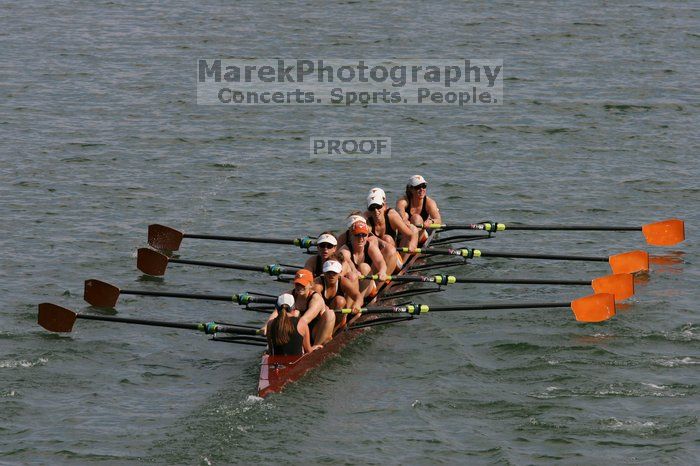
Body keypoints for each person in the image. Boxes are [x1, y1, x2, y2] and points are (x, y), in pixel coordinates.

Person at [365, 187, 419, 262]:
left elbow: (411, 235)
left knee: (388, 238)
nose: (376, 211)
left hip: (393, 253)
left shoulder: (391, 215)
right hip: (377, 257)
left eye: (378, 206)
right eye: (372, 207)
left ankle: (401, 265)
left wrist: (412, 245)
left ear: (384, 204)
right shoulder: (366, 218)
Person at [339, 221, 387, 298]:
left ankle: (360, 300)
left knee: (364, 267)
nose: (361, 239)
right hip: (352, 284)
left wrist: (382, 271)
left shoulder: (371, 247)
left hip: (368, 287)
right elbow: (349, 264)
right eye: (357, 235)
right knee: (352, 275)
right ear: (351, 235)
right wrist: (355, 271)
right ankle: (356, 300)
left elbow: (381, 262)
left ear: (367, 236)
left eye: (363, 235)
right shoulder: (344, 251)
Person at [312, 259, 363, 327]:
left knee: (340, 301)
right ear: (323, 272)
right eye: (328, 272)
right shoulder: (317, 284)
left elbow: (358, 296)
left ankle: (336, 327)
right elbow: (319, 305)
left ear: (340, 272)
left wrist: (357, 304)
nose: (331, 275)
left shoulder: (343, 282)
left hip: (334, 313)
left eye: (334, 272)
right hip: (320, 315)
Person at [291, 269, 335, 345]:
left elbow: (304, 321)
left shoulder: (316, 299)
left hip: (315, 333)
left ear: (311, 285)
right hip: (299, 330)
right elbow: (275, 313)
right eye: (297, 284)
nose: (299, 287)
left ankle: (315, 347)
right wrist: (267, 326)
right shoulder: (289, 295)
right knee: (295, 314)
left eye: (303, 284)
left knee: (330, 314)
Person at [396, 175, 441, 243]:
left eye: (424, 186)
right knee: (406, 215)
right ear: (411, 189)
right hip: (406, 232)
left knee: (416, 218)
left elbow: (438, 220)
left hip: (422, 235)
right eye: (418, 187)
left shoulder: (429, 202)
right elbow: (401, 219)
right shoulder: (402, 202)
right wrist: (405, 221)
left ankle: (414, 244)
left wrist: (430, 222)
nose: (422, 189)